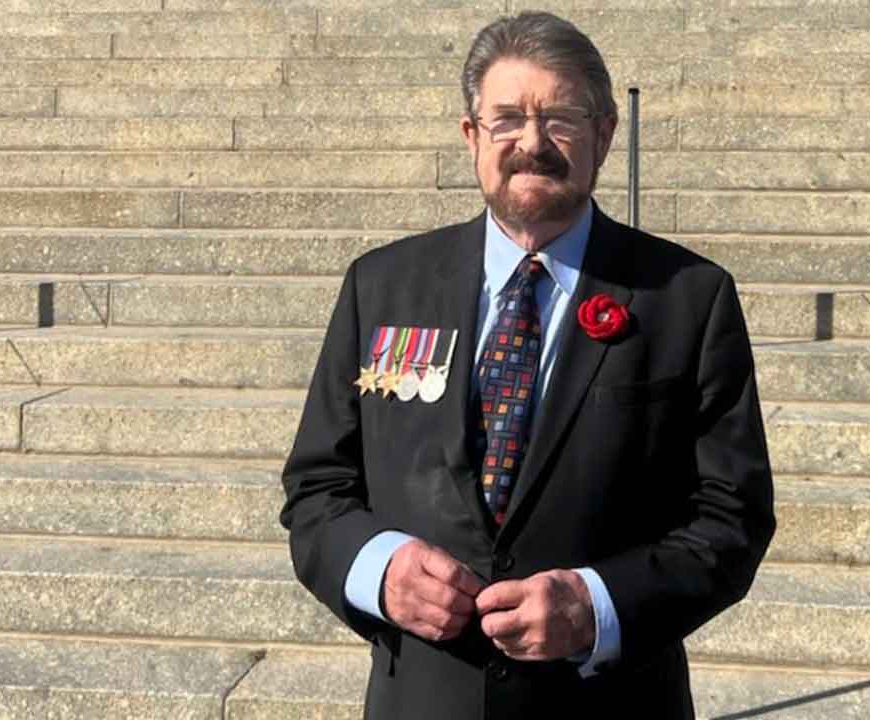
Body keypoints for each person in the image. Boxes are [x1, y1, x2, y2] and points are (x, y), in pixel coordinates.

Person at [280, 11, 775, 719]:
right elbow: (317, 489)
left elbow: (732, 518)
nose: (533, 143)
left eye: (561, 118)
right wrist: (378, 569)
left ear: (605, 134)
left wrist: (597, 605)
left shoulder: (688, 299)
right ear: (471, 136)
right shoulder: (381, 286)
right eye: (507, 119)